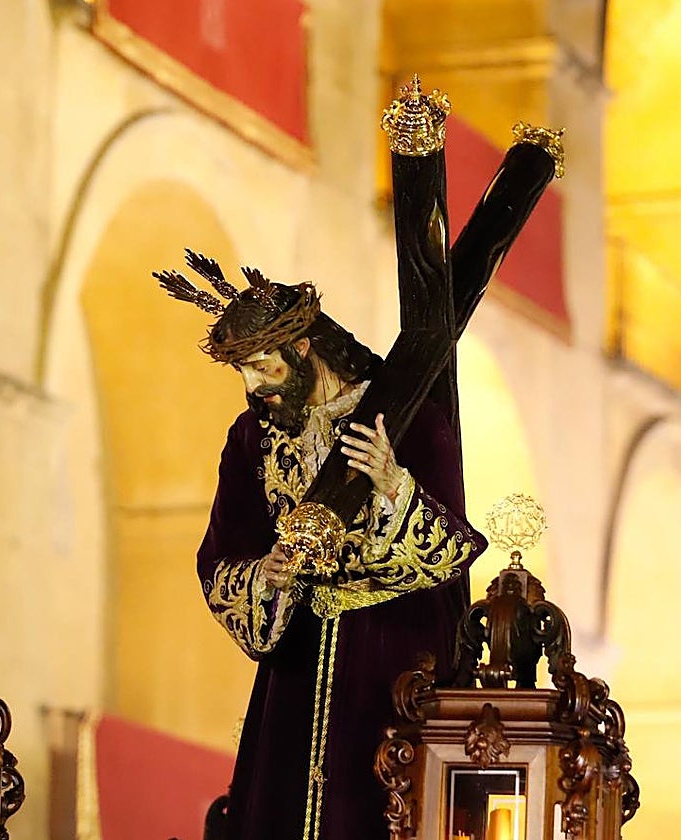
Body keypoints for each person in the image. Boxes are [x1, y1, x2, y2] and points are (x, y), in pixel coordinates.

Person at [156, 252, 487, 840]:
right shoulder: (252, 438)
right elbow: (222, 553)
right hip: (296, 671)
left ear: (304, 348)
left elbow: (450, 553)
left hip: (395, 661)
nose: (255, 389)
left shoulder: (406, 417)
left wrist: (393, 487)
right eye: (244, 374)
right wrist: (267, 576)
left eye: (264, 368)